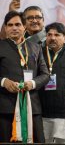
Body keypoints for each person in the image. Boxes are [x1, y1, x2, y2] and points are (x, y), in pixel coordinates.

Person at [0, 11, 49, 143]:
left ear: (24, 27)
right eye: (10, 25)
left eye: (18, 24)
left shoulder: (35, 47)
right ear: (5, 28)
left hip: (32, 107)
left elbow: (45, 74)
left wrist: (32, 83)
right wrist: (3, 81)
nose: (14, 28)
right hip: (5, 109)